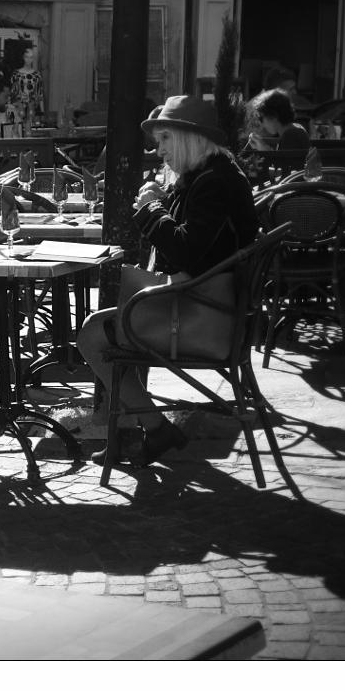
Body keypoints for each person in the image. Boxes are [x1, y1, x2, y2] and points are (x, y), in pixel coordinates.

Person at [77, 95, 259, 466]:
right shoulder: (210, 174)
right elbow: (188, 246)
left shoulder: (213, 182)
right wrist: (159, 202)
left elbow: (185, 251)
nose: (158, 150)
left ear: (189, 138)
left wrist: (151, 208)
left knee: (93, 335)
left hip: (205, 318)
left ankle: (152, 428)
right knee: (108, 320)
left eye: (165, 140)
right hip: (210, 307)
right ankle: (138, 431)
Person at [10, 45, 45, 119]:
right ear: (23, 57)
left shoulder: (37, 75)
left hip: (33, 110)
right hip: (18, 109)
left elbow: (40, 95)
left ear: (33, 59)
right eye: (26, 57)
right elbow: (12, 94)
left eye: (31, 57)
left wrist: (42, 113)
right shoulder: (16, 74)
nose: (29, 60)